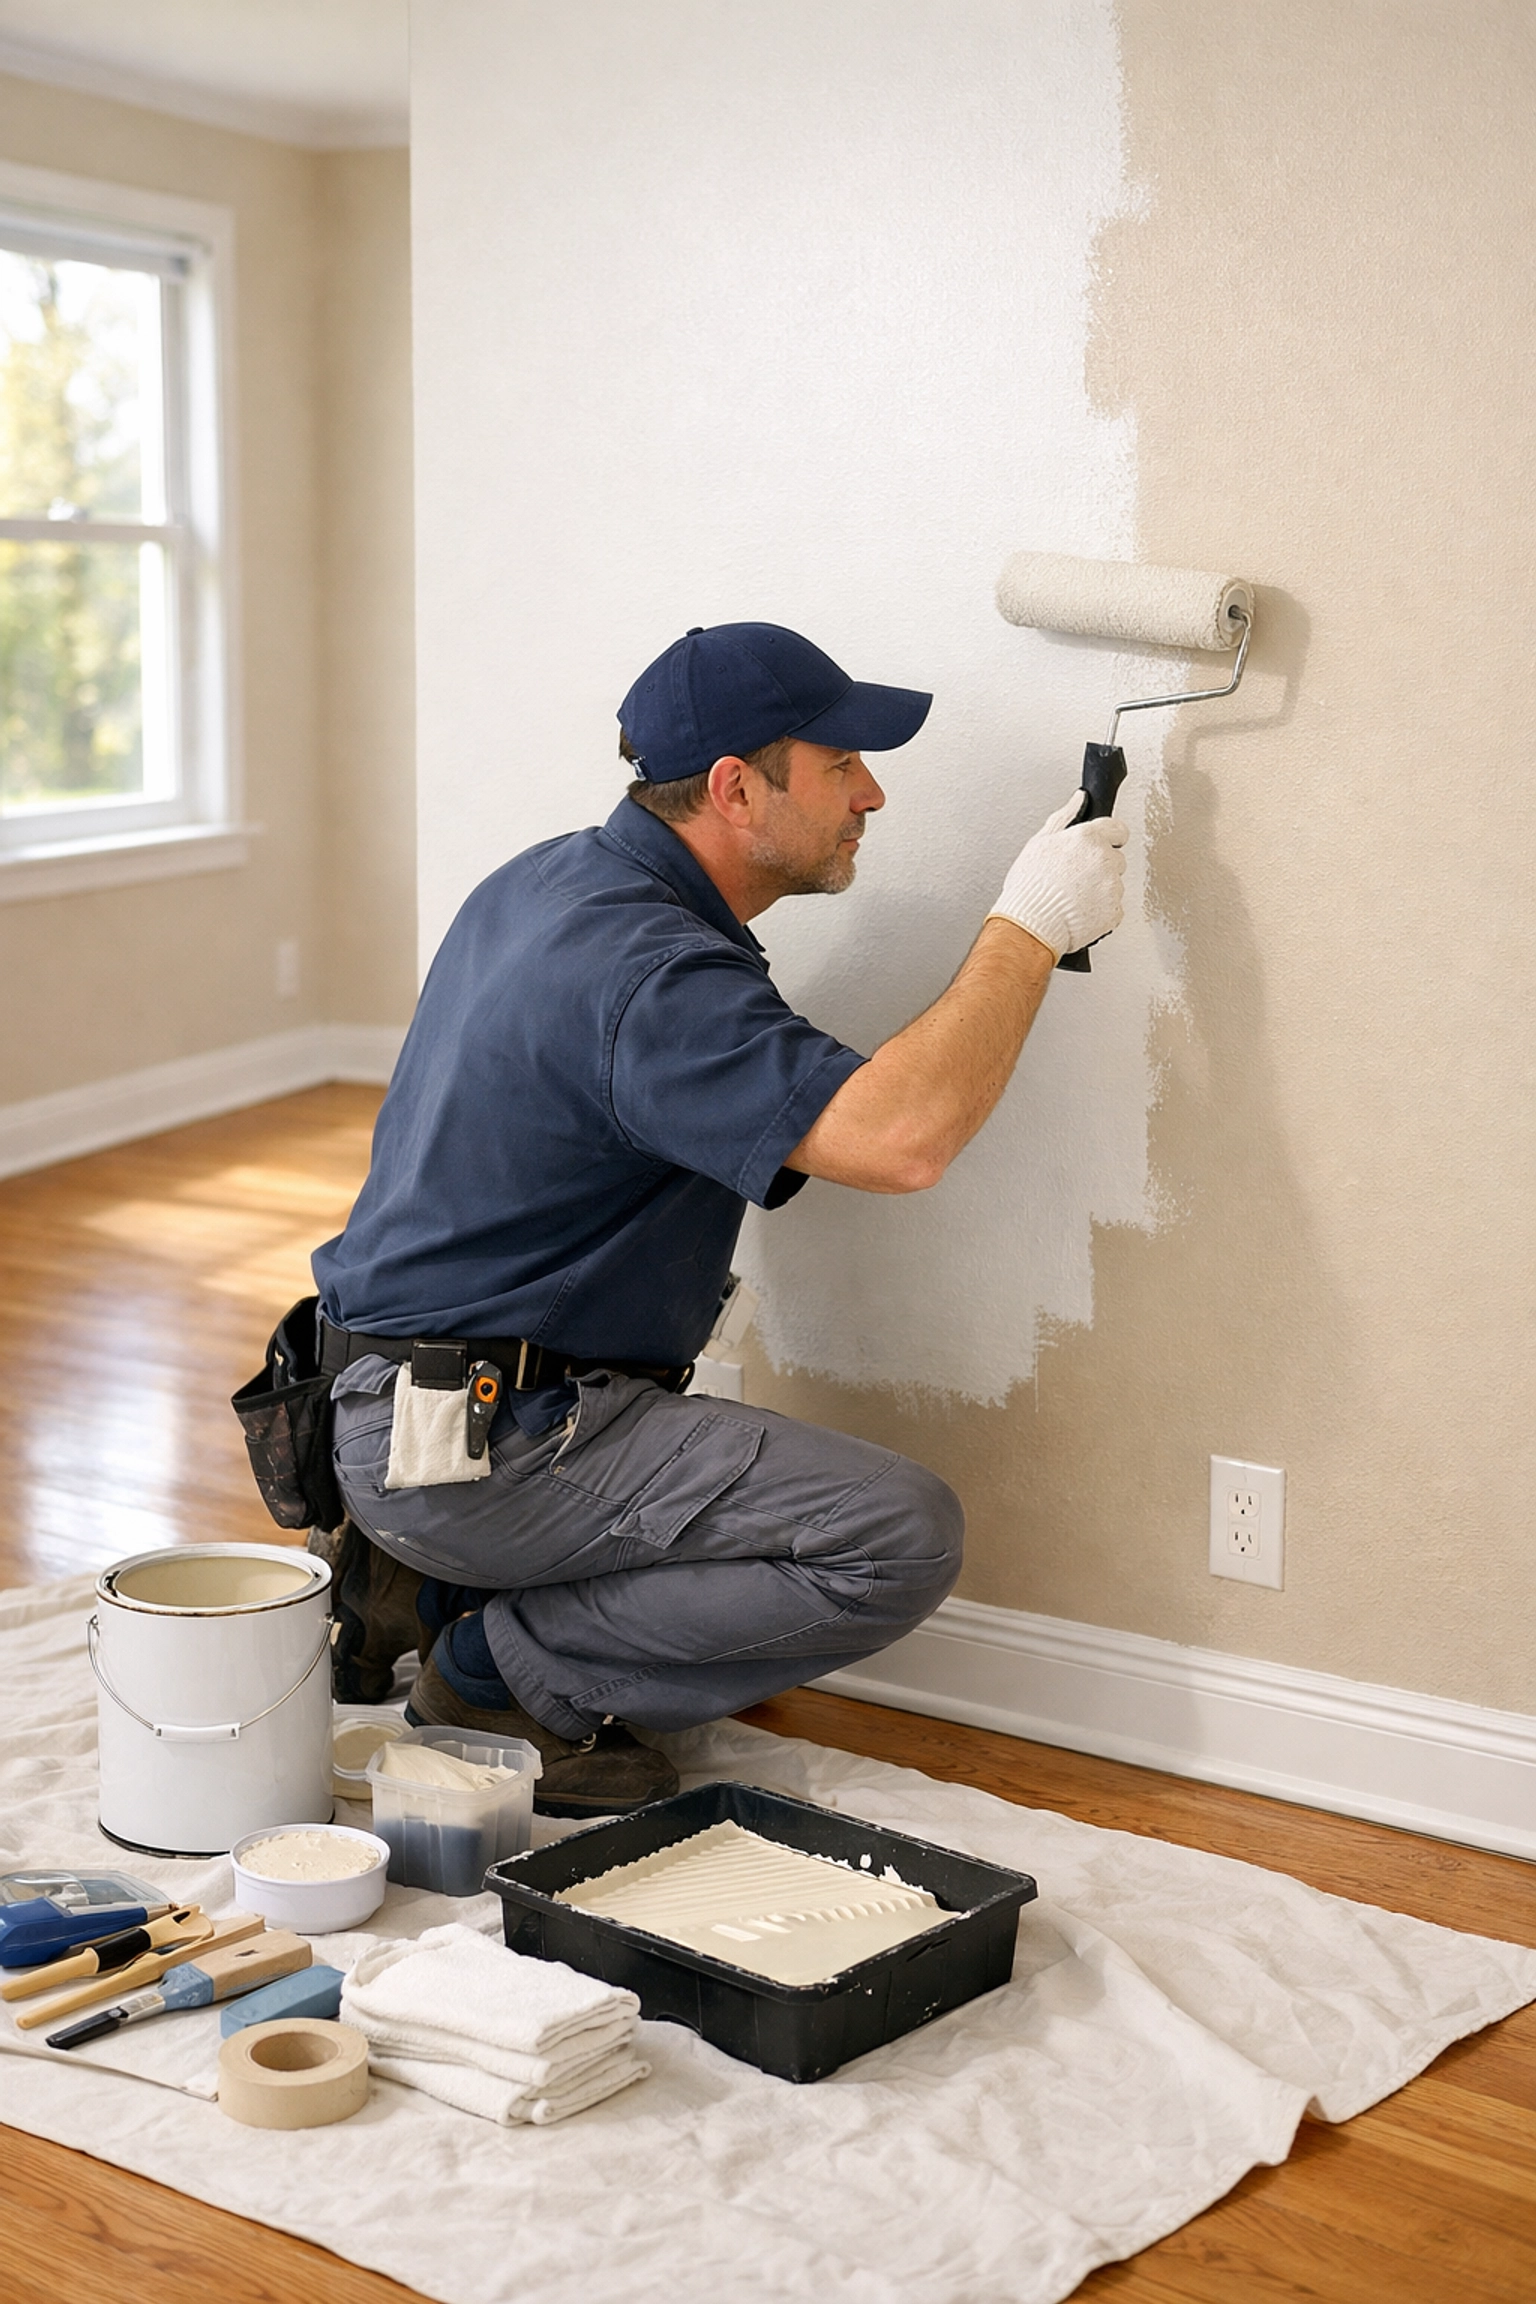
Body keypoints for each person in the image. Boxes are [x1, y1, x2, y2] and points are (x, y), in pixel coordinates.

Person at [311, 622, 1126, 1814]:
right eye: (842, 764)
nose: (874, 792)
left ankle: (419, 1581)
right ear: (740, 788)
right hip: (482, 1441)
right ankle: (496, 1672)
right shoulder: (651, 975)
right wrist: (1031, 926)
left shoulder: (553, 878)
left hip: (395, 1405)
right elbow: (899, 1142)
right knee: (897, 1534)